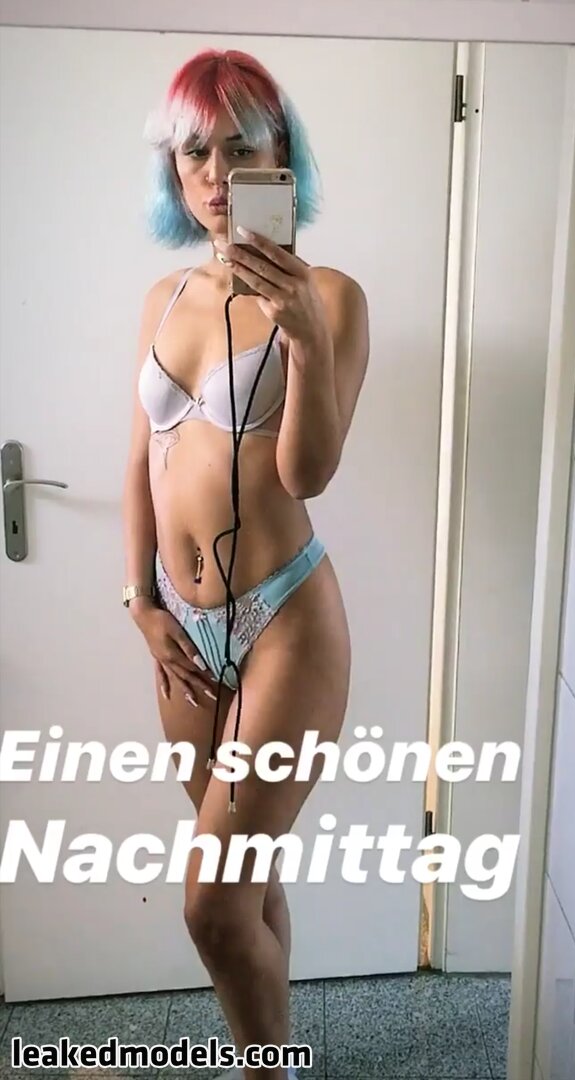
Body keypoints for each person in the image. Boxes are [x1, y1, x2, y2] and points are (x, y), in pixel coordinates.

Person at [121, 48, 369, 1080]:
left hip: (284, 621)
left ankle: (262, 1069)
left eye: (240, 148)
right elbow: (140, 455)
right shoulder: (164, 296)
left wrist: (304, 340)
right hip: (181, 624)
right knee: (245, 875)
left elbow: (307, 474)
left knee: (210, 905)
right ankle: (269, 1055)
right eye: (194, 152)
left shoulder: (332, 296)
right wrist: (141, 600)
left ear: (282, 160)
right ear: (172, 172)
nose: (216, 174)